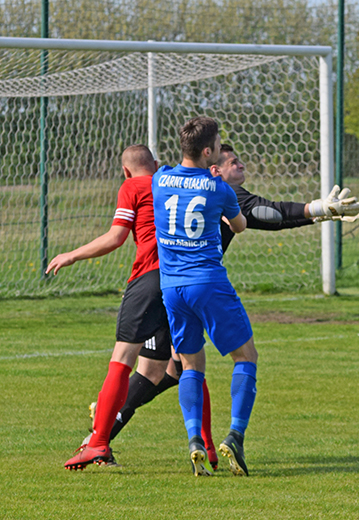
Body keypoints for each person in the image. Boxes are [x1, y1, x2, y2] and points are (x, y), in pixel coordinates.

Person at [103, 143, 359, 471]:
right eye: (231, 161)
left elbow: (265, 211)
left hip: (169, 287)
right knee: (175, 366)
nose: (240, 164)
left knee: (168, 369)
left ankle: (113, 427)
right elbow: (269, 213)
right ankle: (105, 430)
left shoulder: (172, 180)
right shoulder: (220, 191)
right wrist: (319, 209)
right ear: (213, 165)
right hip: (176, 285)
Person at [46, 144, 216, 471]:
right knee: (191, 364)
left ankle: (97, 443)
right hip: (185, 280)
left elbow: (116, 237)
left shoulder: (132, 186)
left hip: (150, 279)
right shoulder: (170, 182)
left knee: (122, 359)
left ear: (125, 171)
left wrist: (72, 255)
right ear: (156, 164)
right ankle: (207, 445)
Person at [151, 116, 256, 477]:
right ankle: (235, 436)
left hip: (172, 288)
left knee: (191, 365)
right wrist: (221, 190)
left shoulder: (159, 178)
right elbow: (239, 225)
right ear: (209, 151)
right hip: (208, 282)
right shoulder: (219, 188)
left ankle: (195, 440)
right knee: (245, 356)